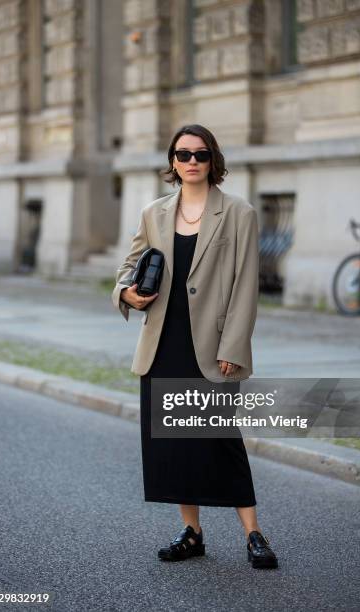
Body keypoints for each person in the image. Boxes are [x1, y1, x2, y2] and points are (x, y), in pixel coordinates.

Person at [112, 124, 278, 569]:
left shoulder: (238, 212)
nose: (191, 162)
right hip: (163, 343)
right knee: (176, 443)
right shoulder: (155, 213)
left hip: (213, 345)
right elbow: (128, 268)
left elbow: (246, 286)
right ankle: (193, 532)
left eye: (200, 155)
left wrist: (235, 345)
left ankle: (254, 533)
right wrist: (126, 294)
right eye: (182, 155)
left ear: (212, 160)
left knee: (222, 440)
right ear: (172, 161)